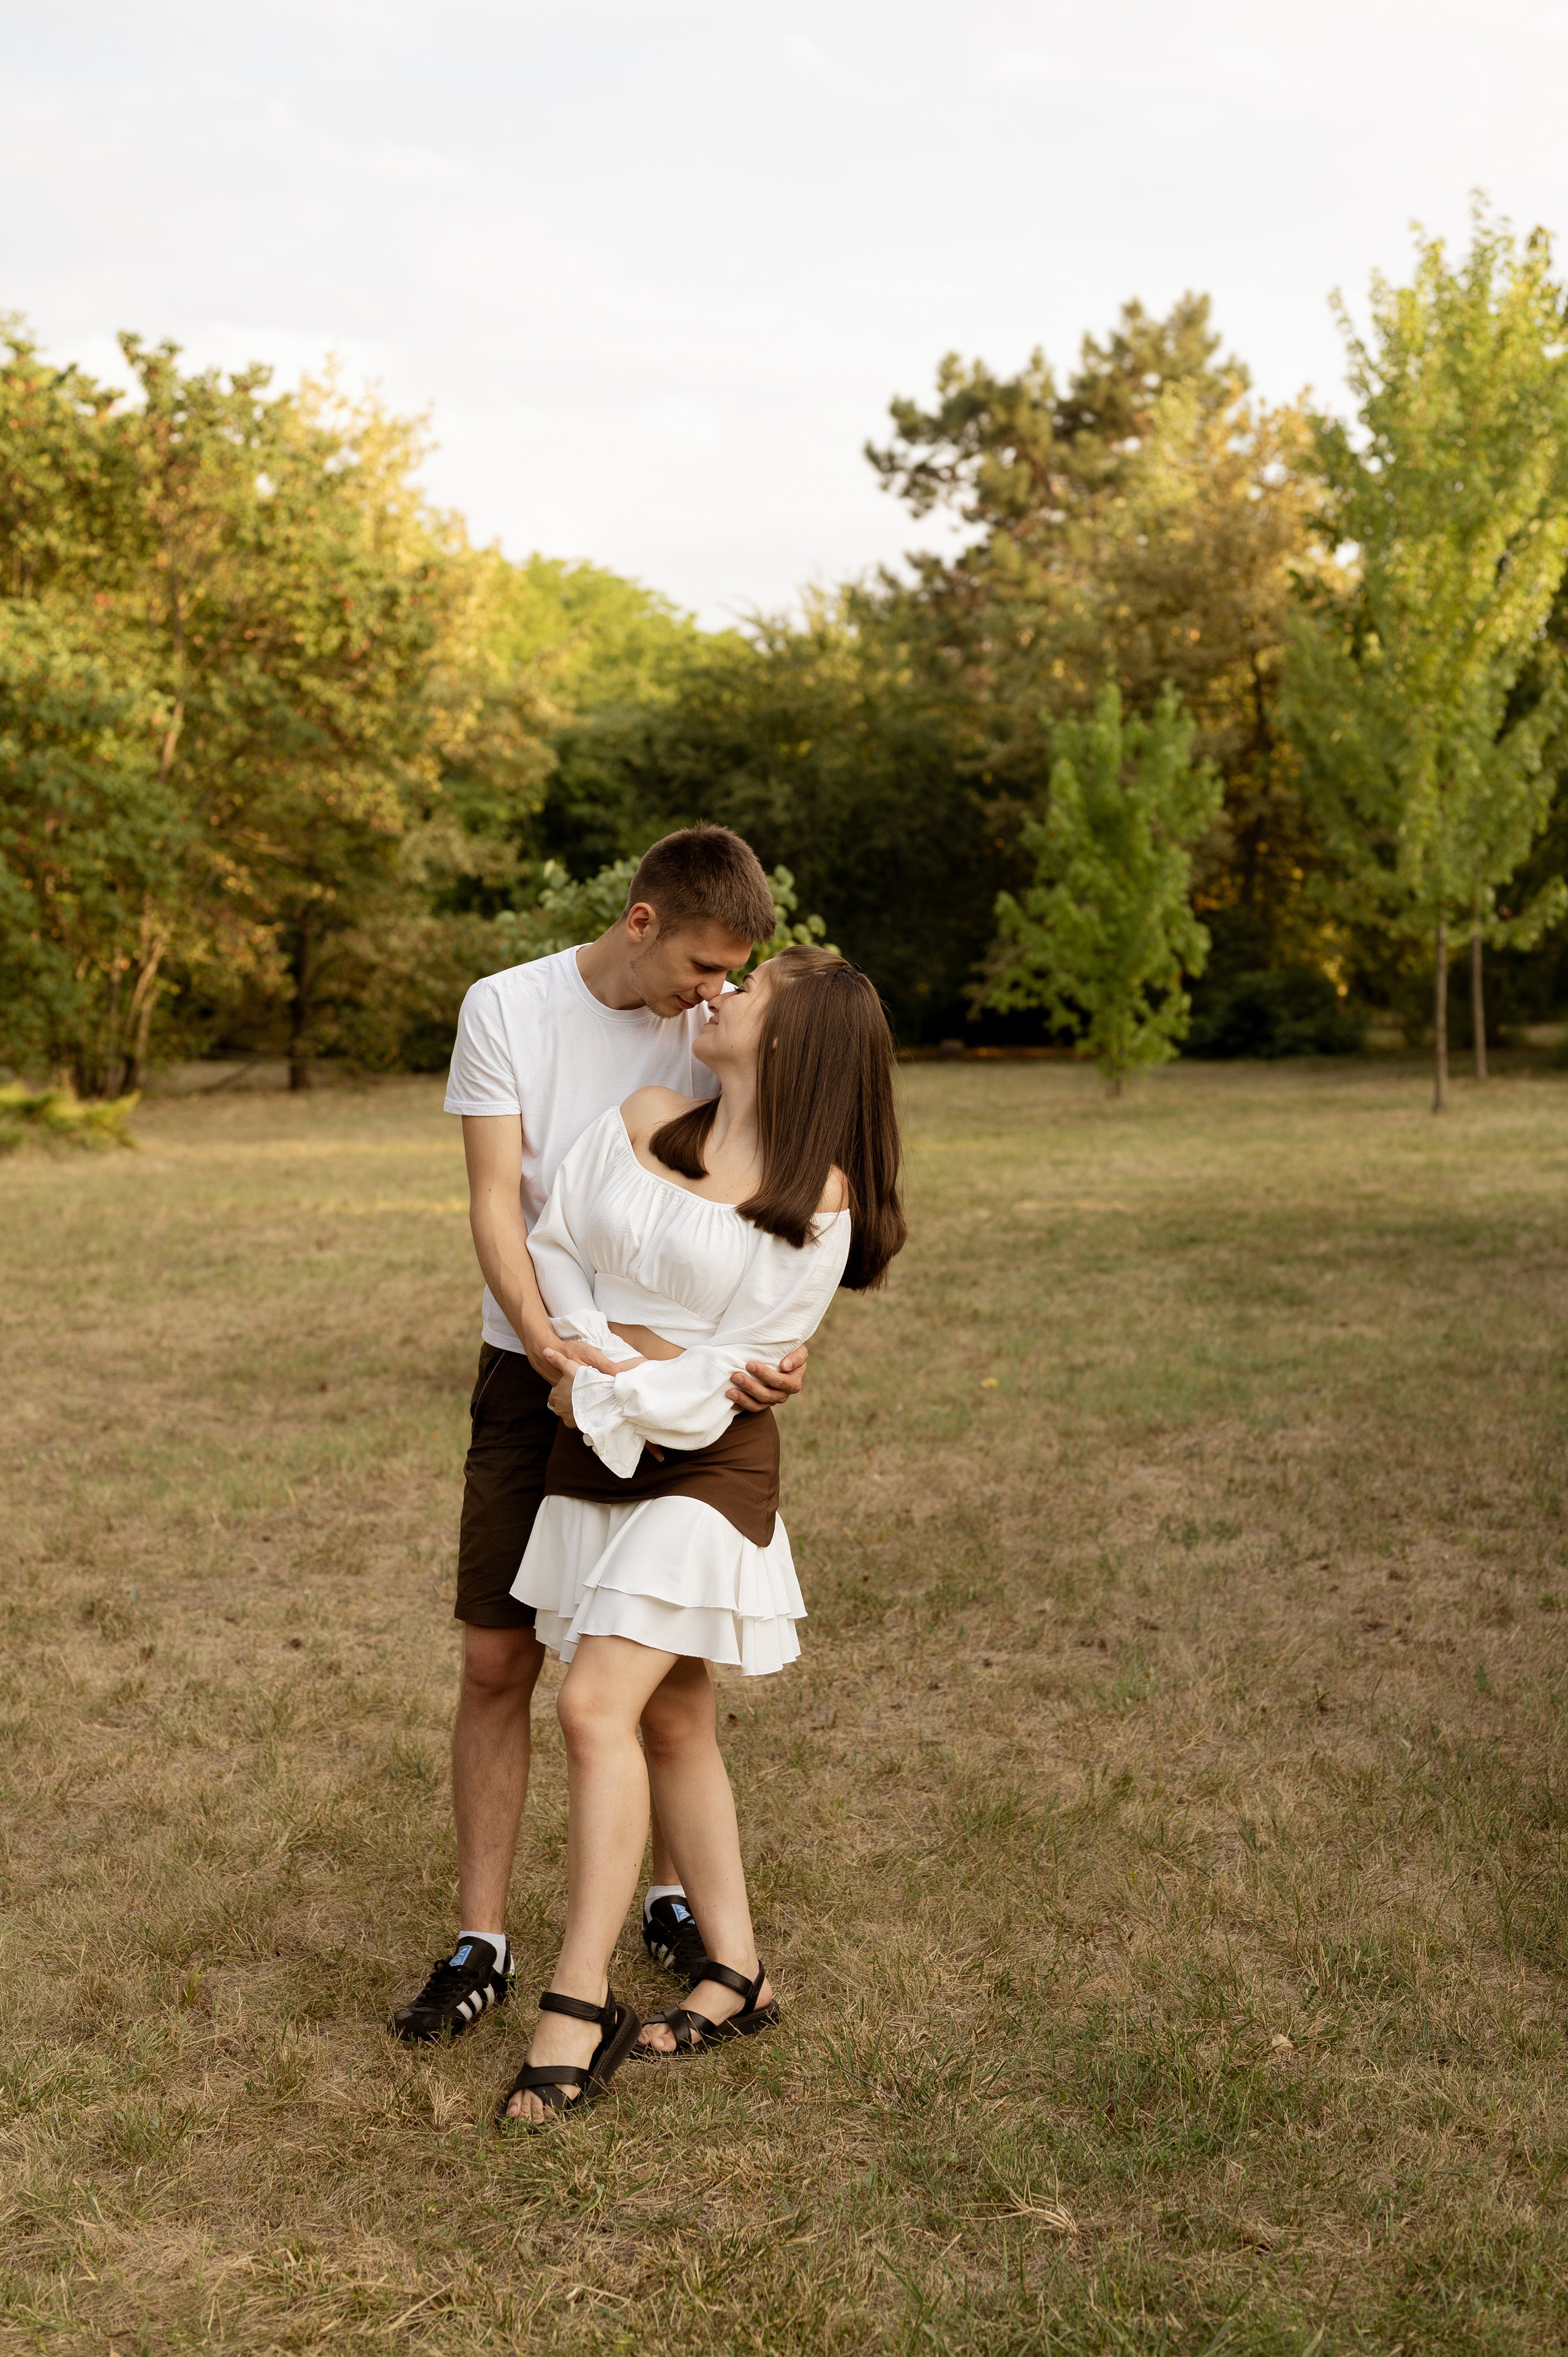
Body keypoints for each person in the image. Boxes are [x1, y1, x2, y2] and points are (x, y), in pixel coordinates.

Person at [391, 827, 807, 2045]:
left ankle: (675, 1903)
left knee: (660, 1667)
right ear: (639, 922)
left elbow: (771, 1195)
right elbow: (492, 1197)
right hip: (533, 1369)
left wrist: (764, 1349)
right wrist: (546, 1343)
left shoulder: (710, 1026)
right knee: (496, 1658)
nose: (712, 991)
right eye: (698, 964)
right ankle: (481, 1940)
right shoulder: (507, 1007)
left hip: (672, 1389)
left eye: (729, 972)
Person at [496, 945, 906, 2124]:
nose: (718, 995)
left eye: (750, 990)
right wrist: (584, 1356)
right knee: (671, 1713)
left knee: (591, 1707)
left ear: (788, 1042)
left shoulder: (818, 1199)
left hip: (706, 1469)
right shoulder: (643, 1118)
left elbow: (743, 1370)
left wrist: (619, 1376)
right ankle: (736, 1971)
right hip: (593, 1432)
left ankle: (579, 2000)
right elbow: (560, 1243)